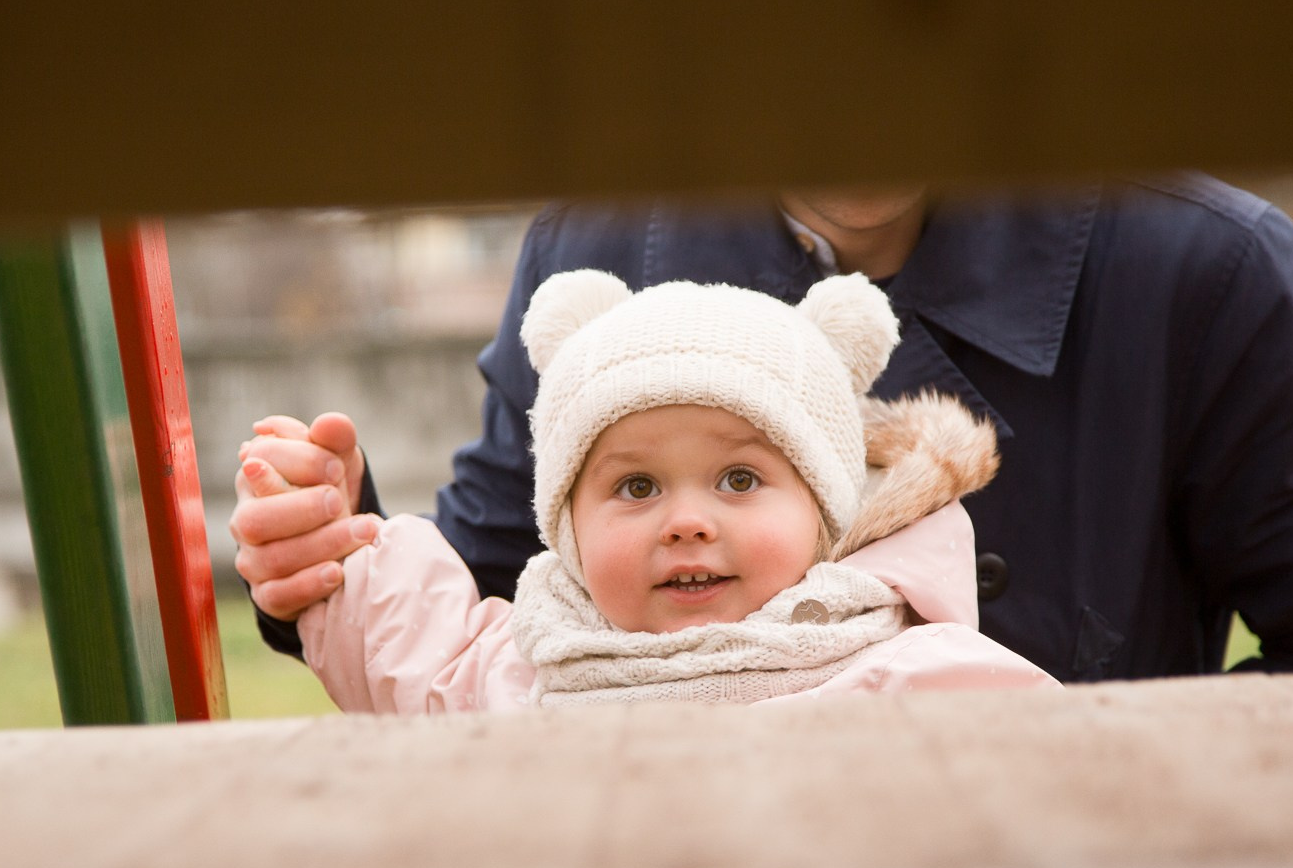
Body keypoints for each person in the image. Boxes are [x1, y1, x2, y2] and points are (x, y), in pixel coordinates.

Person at [235, 179, 1293, 681]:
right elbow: (501, 600)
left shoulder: (1198, 271)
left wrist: (1099, 814)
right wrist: (339, 554)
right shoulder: (604, 242)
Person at [245, 269, 1056, 712]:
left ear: (828, 516)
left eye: (740, 478)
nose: (687, 521)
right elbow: (416, 645)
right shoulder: (525, 673)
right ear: (565, 530)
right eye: (635, 484)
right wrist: (332, 536)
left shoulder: (913, 675)